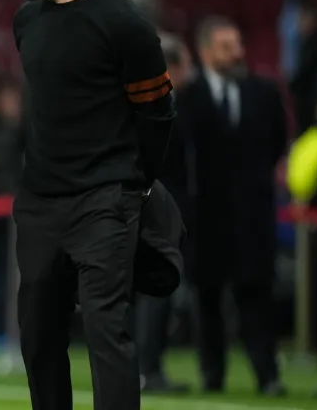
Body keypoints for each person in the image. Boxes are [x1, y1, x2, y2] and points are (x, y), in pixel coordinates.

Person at [6, 0, 175, 410]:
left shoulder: (124, 21)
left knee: (107, 332)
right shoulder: (27, 20)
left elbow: (158, 116)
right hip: (39, 204)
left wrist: (134, 187)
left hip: (106, 200)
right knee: (38, 337)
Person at [181, 16, 288, 396]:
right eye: (227, 47)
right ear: (206, 51)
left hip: (253, 218)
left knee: (258, 300)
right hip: (206, 220)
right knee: (207, 301)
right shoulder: (188, 98)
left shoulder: (264, 92)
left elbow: (277, 143)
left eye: (238, 45)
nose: (237, 53)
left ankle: (268, 376)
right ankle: (213, 376)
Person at [135, 31, 193, 393]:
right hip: (158, 208)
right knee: (155, 291)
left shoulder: (139, 99)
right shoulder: (162, 103)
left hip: (146, 204)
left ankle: (143, 368)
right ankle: (148, 370)